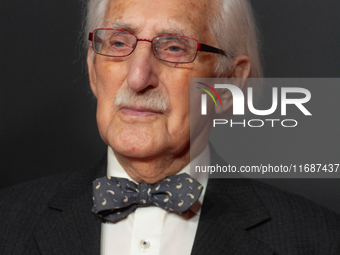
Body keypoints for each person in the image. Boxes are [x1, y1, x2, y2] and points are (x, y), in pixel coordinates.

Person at [1, 0, 340, 254]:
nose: (137, 78)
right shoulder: (8, 223)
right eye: (118, 43)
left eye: (174, 48)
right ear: (93, 69)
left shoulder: (318, 239)